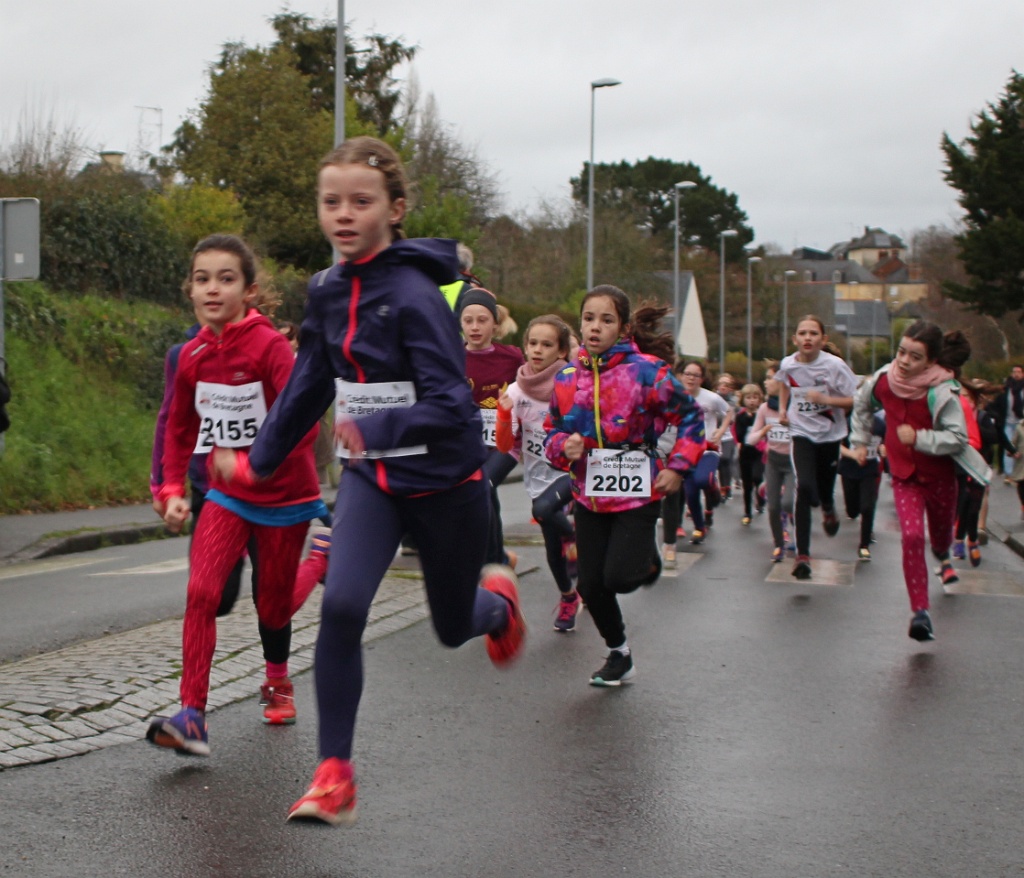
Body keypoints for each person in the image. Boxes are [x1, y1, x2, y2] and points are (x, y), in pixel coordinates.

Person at [212, 136, 525, 826]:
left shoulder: (417, 297)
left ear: (395, 208)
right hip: (373, 481)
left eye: (361, 201)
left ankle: (497, 606)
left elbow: (453, 406)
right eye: (331, 202)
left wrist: (380, 425)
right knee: (344, 606)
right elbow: (310, 382)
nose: (344, 214)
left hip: (445, 486)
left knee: (452, 627)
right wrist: (260, 460)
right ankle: (334, 775)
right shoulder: (326, 290)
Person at [146, 234, 328, 755]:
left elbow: (302, 422)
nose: (212, 289)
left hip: (284, 499)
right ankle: (192, 715)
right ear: (189, 290)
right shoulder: (190, 355)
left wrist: (251, 465)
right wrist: (171, 488)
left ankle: (316, 567)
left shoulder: (269, 346)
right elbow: (179, 427)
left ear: (248, 290)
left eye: (226, 279)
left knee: (272, 607)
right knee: (202, 593)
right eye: (202, 279)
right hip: (225, 495)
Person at [545, 286, 705, 686]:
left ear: (624, 328)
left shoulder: (648, 372)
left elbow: (691, 418)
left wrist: (679, 467)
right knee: (590, 585)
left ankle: (647, 560)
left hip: (637, 490)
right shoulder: (566, 379)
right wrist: (564, 447)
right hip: (589, 494)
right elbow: (551, 432)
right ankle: (619, 653)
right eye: (589, 318)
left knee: (618, 577)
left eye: (606, 320)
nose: (595, 327)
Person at [851, 321, 988, 641]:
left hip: (940, 478)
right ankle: (920, 613)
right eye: (901, 352)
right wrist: (859, 441)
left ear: (930, 361)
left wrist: (919, 438)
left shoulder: (943, 391)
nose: (904, 361)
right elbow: (861, 405)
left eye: (914, 357)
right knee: (912, 537)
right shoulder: (884, 381)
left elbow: (957, 438)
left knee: (940, 538)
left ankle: (942, 552)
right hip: (904, 477)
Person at [496, 314, 581, 631]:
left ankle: (574, 539)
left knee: (543, 509)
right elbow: (505, 445)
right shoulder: (516, 391)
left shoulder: (573, 383)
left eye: (546, 345)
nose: (537, 350)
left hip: (571, 472)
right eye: (532, 343)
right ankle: (569, 596)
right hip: (538, 475)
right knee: (551, 547)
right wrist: (503, 415)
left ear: (561, 351)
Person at [776, 316, 858, 580]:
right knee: (804, 487)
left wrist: (825, 399)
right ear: (795, 339)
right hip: (801, 432)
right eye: (802, 333)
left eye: (813, 333)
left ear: (823, 339)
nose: (807, 338)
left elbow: (854, 400)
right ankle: (802, 556)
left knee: (823, 487)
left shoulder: (835, 366)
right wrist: (782, 409)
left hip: (830, 435)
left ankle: (828, 508)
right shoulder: (788, 364)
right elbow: (784, 384)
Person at [460, 287, 525, 569]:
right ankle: (499, 558)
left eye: (482, 320)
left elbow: (532, 386)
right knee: (485, 493)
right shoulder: (452, 357)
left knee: (483, 487)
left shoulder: (512, 357)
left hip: (504, 442)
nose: (475, 327)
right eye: (468, 321)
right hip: (468, 443)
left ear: (495, 325)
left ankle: (492, 562)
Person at [677, 360, 731, 543]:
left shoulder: (711, 398)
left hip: (709, 447)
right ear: (681, 376)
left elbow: (729, 412)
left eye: (696, 375)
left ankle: (713, 490)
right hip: (686, 450)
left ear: (702, 379)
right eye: (688, 374)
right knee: (690, 492)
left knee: (702, 479)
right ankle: (700, 528)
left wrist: (721, 431)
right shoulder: (677, 396)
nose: (691, 378)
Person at [747, 365, 795, 562]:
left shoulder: (795, 407)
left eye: (770, 378)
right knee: (773, 506)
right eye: (766, 378)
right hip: (774, 461)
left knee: (789, 503)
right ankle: (779, 545)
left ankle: (799, 536)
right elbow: (751, 439)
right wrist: (763, 431)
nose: (766, 382)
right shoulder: (764, 408)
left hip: (793, 462)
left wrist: (792, 425)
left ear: (783, 382)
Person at [838, 407, 885, 561]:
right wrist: (853, 454)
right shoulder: (848, 423)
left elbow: (885, 443)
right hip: (849, 469)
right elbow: (838, 445)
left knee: (867, 507)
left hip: (869, 470)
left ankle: (864, 545)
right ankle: (854, 510)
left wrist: (883, 449)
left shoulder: (880, 425)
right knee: (852, 511)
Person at [733, 383, 766, 525]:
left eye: (755, 397)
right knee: (747, 483)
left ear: (759, 399)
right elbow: (739, 434)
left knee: (757, 477)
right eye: (748, 398)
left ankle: (760, 498)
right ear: (743, 399)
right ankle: (747, 512)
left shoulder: (762, 414)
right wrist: (747, 418)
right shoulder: (740, 416)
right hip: (745, 451)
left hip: (759, 451)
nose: (752, 401)